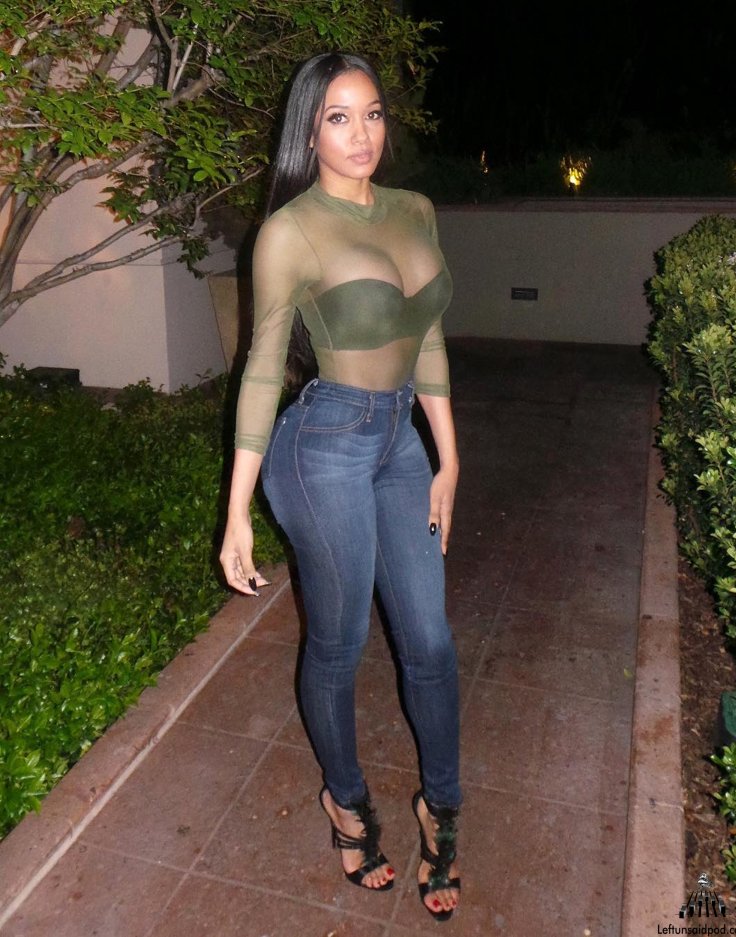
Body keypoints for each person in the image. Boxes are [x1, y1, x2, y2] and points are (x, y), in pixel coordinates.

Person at [219, 52, 461, 921]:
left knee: (430, 641)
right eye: (337, 117)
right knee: (340, 639)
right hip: (324, 445)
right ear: (309, 132)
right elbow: (259, 368)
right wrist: (236, 508)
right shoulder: (290, 232)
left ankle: (442, 805)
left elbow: (426, 336)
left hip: (401, 442)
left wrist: (449, 458)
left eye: (373, 113)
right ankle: (347, 801)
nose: (362, 134)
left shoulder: (414, 210)